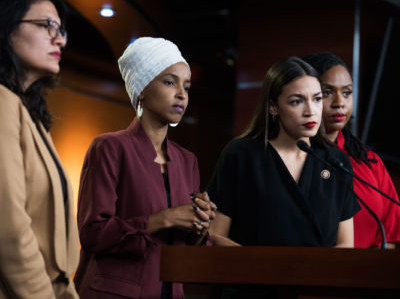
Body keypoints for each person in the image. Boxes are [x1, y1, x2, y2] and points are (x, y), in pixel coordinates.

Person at [73, 37, 216, 299]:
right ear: (141, 88)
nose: (182, 94)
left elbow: (190, 250)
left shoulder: (188, 161)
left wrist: (200, 226)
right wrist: (165, 218)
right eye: (169, 82)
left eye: (186, 86)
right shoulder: (109, 147)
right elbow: (93, 234)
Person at [207, 56, 360, 248]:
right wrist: (261, 267)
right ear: (273, 107)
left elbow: (345, 244)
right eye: (297, 102)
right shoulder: (241, 154)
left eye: (317, 99)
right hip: (254, 275)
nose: (311, 111)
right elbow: (215, 234)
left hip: (320, 277)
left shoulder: (336, 161)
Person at [0, 0, 80, 298]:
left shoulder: (30, 116)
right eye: (47, 26)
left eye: (61, 30)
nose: (59, 38)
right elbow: (9, 230)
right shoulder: (2, 101)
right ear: (7, 28)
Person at [303, 52, 400, 248]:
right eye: (327, 93)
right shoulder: (288, 157)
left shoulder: (369, 161)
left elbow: (390, 239)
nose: (340, 103)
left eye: (346, 92)